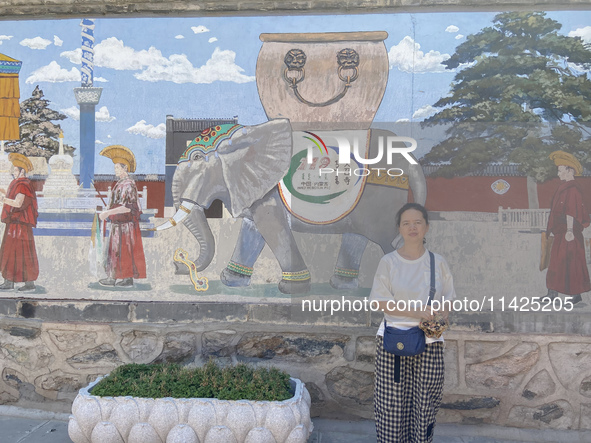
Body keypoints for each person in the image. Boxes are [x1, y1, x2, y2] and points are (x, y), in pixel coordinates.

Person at [370, 202, 456, 443]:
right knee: (391, 403)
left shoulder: (437, 262)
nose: (412, 227)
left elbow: (449, 298)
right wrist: (417, 312)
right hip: (394, 341)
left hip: (430, 341)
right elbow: (380, 301)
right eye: (406, 223)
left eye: (418, 222)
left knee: (426, 401)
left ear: (427, 227)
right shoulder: (389, 262)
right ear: (399, 228)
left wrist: (442, 314)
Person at [544, 151, 590, 305]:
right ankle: (552, 293)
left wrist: (570, 231)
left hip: (568, 232)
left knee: (570, 262)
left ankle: (575, 295)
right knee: (558, 262)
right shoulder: (565, 187)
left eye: (560, 169)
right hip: (561, 231)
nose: (558, 173)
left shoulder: (572, 189)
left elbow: (571, 210)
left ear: (570, 170)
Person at [98, 145, 146, 287]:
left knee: (124, 251)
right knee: (114, 251)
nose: (116, 171)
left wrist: (108, 212)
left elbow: (127, 207)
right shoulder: (120, 184)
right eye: (115, 168)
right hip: (118, 224)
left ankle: (126, 278)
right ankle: (113, 277)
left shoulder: (128, 185)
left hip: (125, 225)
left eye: (118, 168)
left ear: (125, 168)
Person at [0, 153, 39, 292]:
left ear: (22, 171)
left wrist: (3, 200)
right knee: (9, 251)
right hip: (14, 223)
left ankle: (29, 283)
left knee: (22, 252)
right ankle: (9, 280)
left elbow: (18, 202)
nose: (13, 173)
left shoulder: (23, 184)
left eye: (15, 170)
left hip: (20, 224)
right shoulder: (17, 183)